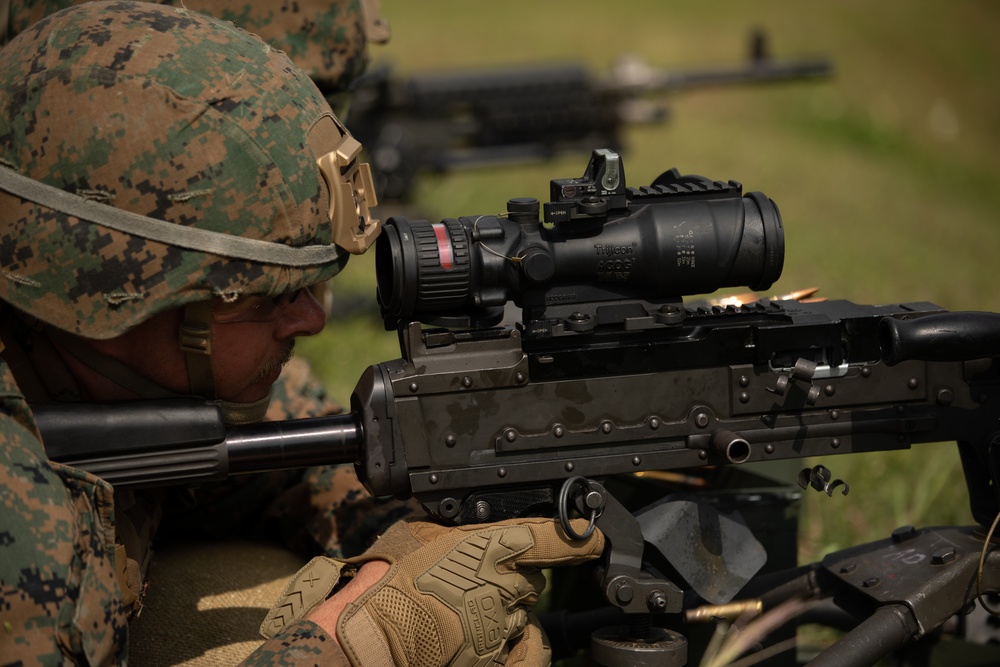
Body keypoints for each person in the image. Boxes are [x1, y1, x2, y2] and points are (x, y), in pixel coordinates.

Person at [0, 2, 604, 665]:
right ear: (121, 290)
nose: (313, 318)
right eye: (274, 293)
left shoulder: (98, 370)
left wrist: (414, 540)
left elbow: (300, 460)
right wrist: (365, 639)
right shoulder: (15, 498)